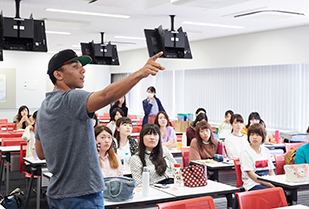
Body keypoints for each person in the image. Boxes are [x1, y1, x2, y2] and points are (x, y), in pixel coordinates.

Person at [35, 49, 165, 208]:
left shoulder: (43, 108)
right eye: (75, 66)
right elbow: (106, 96)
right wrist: (140, 73)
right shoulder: (71, 98)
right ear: (58, 75)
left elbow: (41, 153)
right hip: (82, 194)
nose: (83, 70)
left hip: (56, 193)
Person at [240, 123, 275, 191]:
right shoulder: (245, 152)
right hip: (252, 184)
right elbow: (251, 174)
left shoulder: (266, 151)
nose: (254, 137)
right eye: (252, 134)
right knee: (273, 192)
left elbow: (271, 172)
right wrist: (269, 184)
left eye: (257, 135)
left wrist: (275, 182)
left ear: (263, 137)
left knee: (283, 190)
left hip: (266, 182)